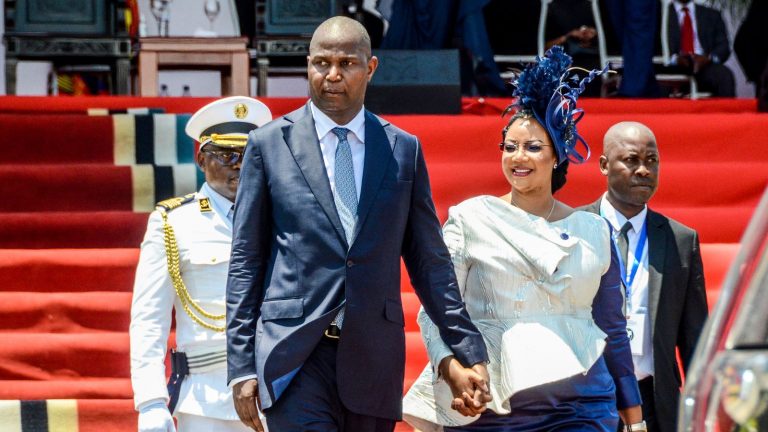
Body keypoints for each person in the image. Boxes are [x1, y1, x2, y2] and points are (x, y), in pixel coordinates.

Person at [226, 16, 491, 432]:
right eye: (320, 63)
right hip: (294, 356)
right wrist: (241, 366)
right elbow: (246, 261)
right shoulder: (268, 144)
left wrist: (467, 347)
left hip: (374, 357)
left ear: (370, 68)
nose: (332, 75)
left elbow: (429, 261)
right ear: (308, 66)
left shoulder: (402, 149)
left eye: (346, 63)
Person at [402, 46, 643, 432]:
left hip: (582, 405)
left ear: (558, 157)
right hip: (491, 405)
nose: (519, 157)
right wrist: (452, 369)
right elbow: (436, 310)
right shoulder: (471, 219)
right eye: (510, 147)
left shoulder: (594, 230)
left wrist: (635, 417)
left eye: (533, 147)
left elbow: (611, 327)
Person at [129, 96, 272, 432]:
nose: (239, 165)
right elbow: (149, 318)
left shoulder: (281, 218)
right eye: (226, 155)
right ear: (201, 159)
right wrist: (150, 401)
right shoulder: (174, 223)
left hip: (275, 393)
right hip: (205, 400)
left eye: (249, 155)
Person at [580, 121, 708, 432]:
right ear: (603, 165)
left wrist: (703, 408)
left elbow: (695, 339)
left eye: (652, 161)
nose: (643, 170)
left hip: (655, 399)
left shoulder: (680, 240)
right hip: (584, 398)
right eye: (631, 160)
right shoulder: (572, 230)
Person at [665, 0, 735, 97]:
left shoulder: (712, 14)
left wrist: (708, 58)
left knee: (724, 76)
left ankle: (726, 112)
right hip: (673, 66)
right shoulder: (661, 15)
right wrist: (675, 59)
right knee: (655, 82)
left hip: (703, 65)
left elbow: (723, 46)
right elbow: (654, 48)